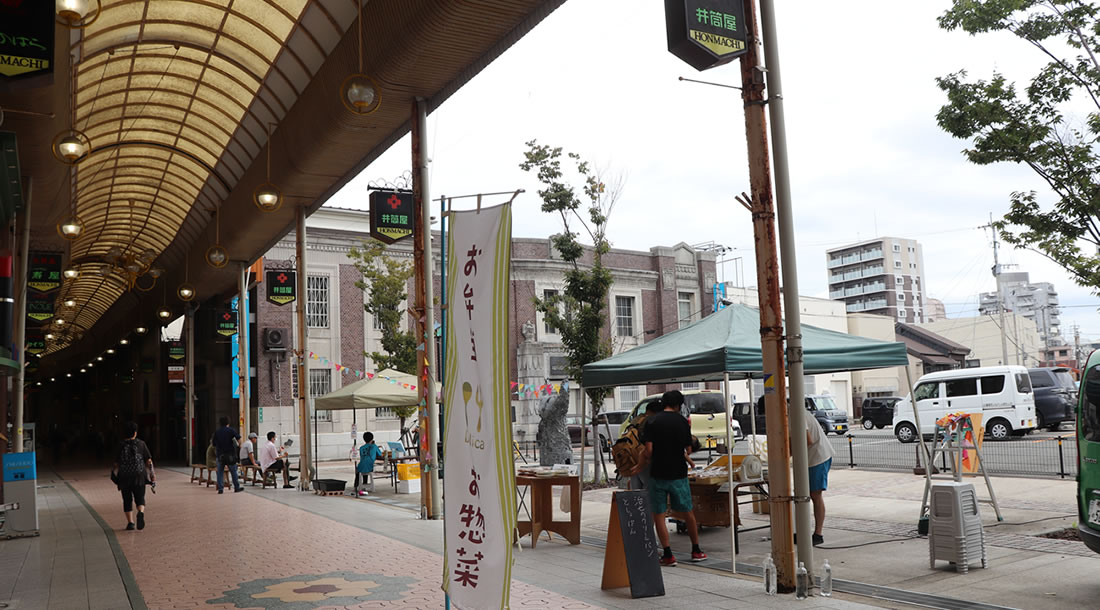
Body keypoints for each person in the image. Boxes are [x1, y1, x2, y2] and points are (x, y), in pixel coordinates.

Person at [640, 390, 705, 566]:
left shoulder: (651, 421)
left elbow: (649, 451)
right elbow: (688, 450)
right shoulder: (683, 422)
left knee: (659, 514)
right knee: (687, 512)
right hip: (678, 474)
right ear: (678, 405)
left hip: (658, 474)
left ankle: (668, 555)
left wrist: (643, 460)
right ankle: (696, 550)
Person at [115, 421, 154, 531]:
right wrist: (152, 475)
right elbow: (149, 461)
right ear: (135, 433)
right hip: (139, 476)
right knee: (140, 498)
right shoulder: (141, 444)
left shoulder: (120, 445)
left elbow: (116, 463)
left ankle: (130, 523)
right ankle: (140, 512)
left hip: (124, 477)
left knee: (127, 500)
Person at [806, 416, 835, 547]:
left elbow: (807, 440)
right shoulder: (792, 413)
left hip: (818, 458)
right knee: (806, 494)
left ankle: (818, 534)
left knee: (815, 495)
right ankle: (802, 531)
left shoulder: (795, 414)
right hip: (811, 458)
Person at [211, 416, 242, 494]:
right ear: (228, 422)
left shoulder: (217, 432)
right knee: (233, 471)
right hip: (230, 454)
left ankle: (220, 488)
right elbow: (239, 438)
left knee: (220, 472)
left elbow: (213, 444)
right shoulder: (231, 430)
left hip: (220, 455)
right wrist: (239, 445)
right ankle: (236, 487)